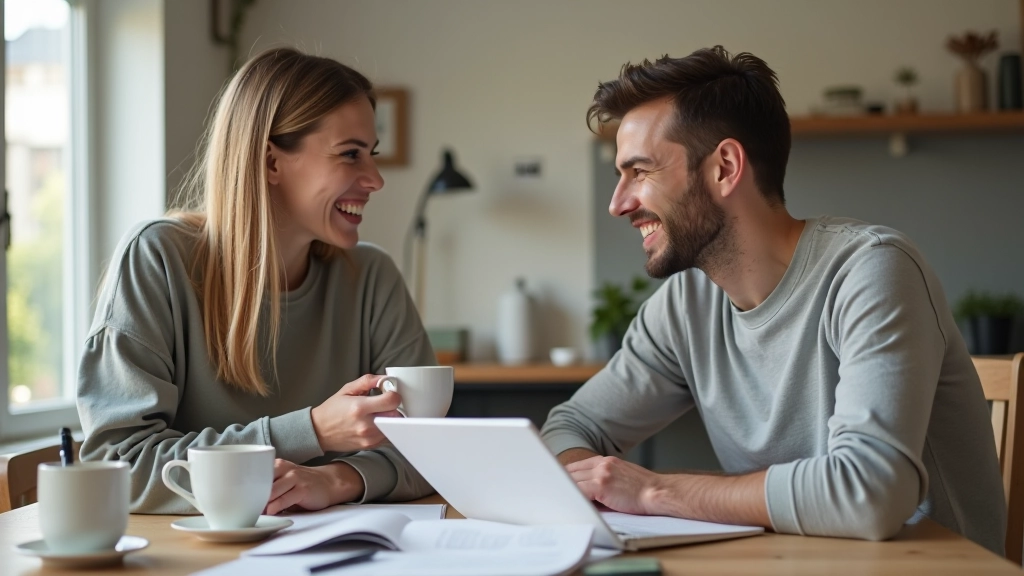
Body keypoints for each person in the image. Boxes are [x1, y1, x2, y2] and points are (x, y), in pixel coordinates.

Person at [540, 46, 1005, 554]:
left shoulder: (871, 270)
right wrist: (590, 484)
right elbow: (571, 426)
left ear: (724, 167)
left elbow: (870, 493)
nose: (618, 203)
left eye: (641, 171)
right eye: (618, 175)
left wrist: (652, 491)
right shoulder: (684, 307)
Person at [77, 48, 434, 514]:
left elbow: (432, 449)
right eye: (350, 155)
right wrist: (312, 431)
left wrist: (335, 479)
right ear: (271, 163)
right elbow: (116, 463)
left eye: (372, 155)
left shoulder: (372, 277)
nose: (375, 180)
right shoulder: (158, 259)